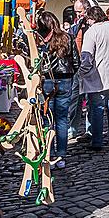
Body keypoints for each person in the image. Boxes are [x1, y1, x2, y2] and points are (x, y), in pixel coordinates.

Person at [35, 11, 80, 169]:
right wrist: (69, 75)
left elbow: (35, 64)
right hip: (65, 80)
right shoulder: (67, 37)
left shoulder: (39, 40)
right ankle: (61, 156)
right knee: (62, 120)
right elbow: (76, 62)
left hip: (47, 80)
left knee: (48, 120)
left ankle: (49, 155)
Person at [79, 6, 109, 151]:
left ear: (91, 18)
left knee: (96, 110)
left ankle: (97, 141)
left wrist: (82, 72)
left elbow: (86, 57)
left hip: (96, 77)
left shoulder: (92, 31)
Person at [69, 0, 92, 141]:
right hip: (77, 67)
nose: (77, 15)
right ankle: (73, 128)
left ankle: (90, 131)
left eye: (80, 11)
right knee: (74, 100)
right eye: (76, 12)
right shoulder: (76, 25)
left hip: (90, 67)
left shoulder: (92, 25)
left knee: (91, 100)